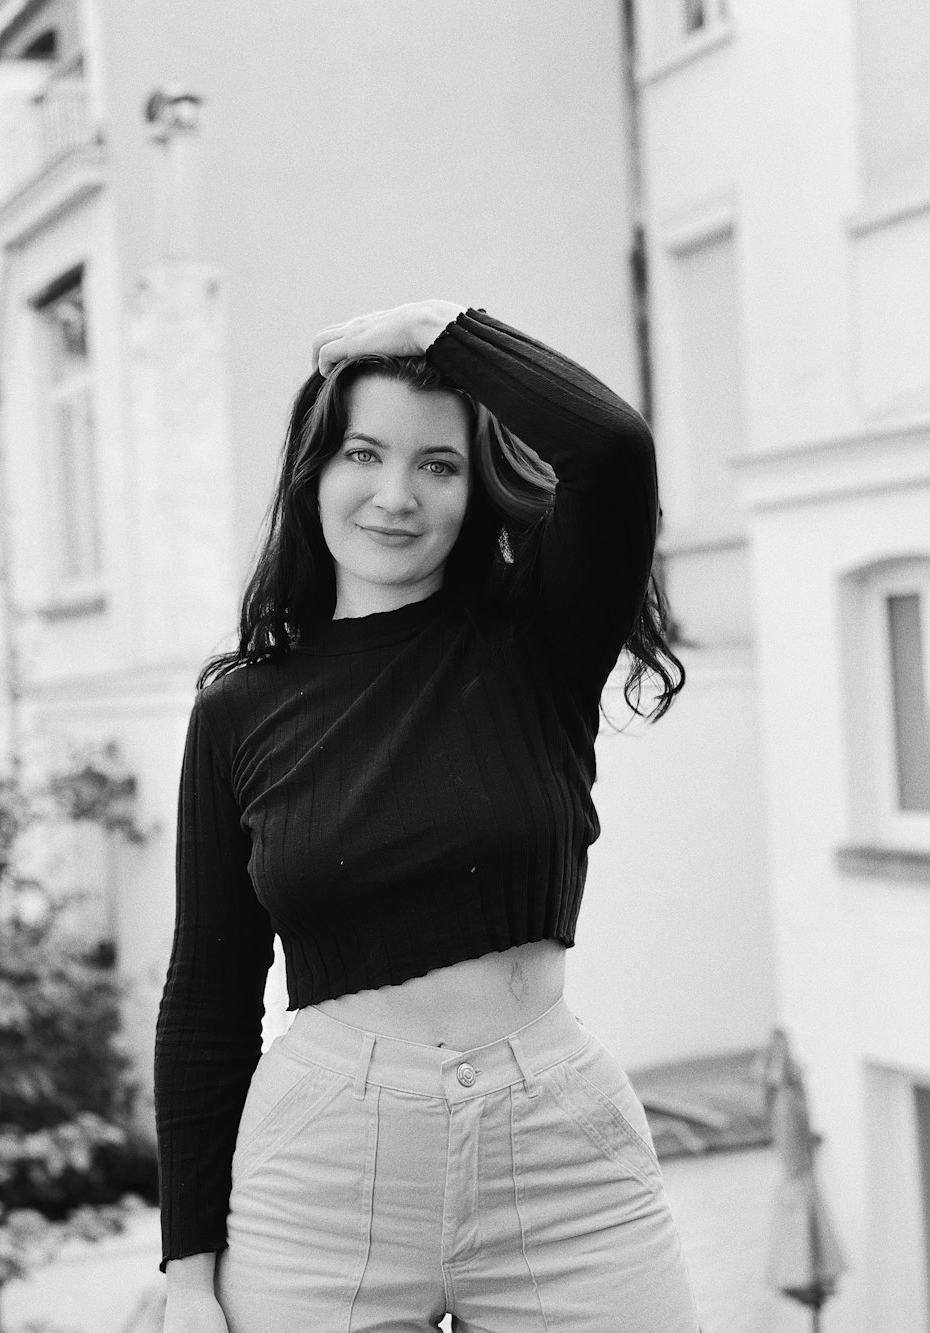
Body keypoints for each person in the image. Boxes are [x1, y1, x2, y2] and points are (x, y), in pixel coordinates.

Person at [155, 300, 701, 1332]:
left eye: (438, 465)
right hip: (322, 1174)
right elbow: (207, 997)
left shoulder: (538, 640)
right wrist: (189, 1277)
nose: (395, 495)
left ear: (475, 489)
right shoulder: (237, 711)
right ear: (312, 474)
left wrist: (436, 329)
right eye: (363, 453)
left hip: (561, 1162)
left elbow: (612, 449)